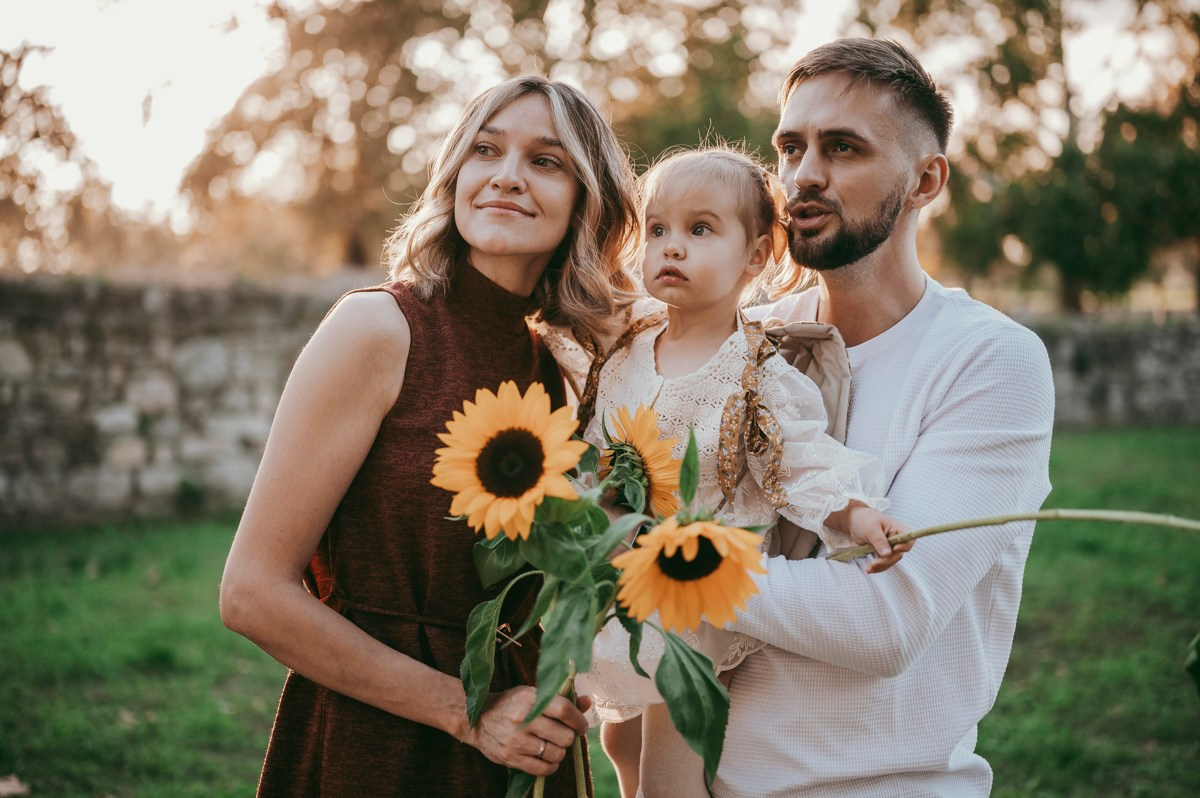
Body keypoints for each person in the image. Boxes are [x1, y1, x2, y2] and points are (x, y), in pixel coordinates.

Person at [218, 75, 640, 797]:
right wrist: (465, 713)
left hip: (519, 751)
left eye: (546, 161)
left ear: (586, 199)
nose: (506, 176)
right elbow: (252, 593)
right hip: (380, 747)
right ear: (455, 176)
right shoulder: (378, 330)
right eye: (485, 150)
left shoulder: (557, 372)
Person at [711, 38, 1055, 797]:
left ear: (927, 179)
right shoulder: (739, 343)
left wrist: (674, 567)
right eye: (790, 146)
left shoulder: (991, 361)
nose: (803, 175)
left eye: (842, 148)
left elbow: (888, 622)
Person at [566, 145, 912, 798]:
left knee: (673, 756)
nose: (672, 247)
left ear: (756, 256)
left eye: (700, 230)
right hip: (621, 574)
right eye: (659, 229)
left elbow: (801, 461)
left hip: (692, 587)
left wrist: (857, 514)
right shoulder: (628, 345)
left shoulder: (755, 374)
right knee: (617, 733)